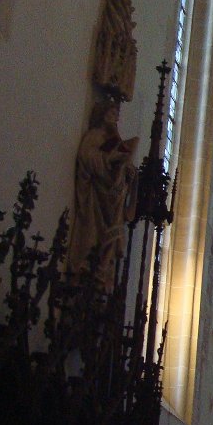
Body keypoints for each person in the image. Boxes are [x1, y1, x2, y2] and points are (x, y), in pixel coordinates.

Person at [67, 99, 138, 289]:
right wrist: (111, 159)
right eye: (112, 113)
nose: (116, 118)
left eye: (117, 115)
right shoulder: (95, 136)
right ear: (102, 114)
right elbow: (87, 157)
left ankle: (103, 269)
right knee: (90, 239)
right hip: (96, 201)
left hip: (112, 198)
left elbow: (122, 166)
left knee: (108, 240)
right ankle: (90, 268)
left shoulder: (113, 140)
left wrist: (129, 172)